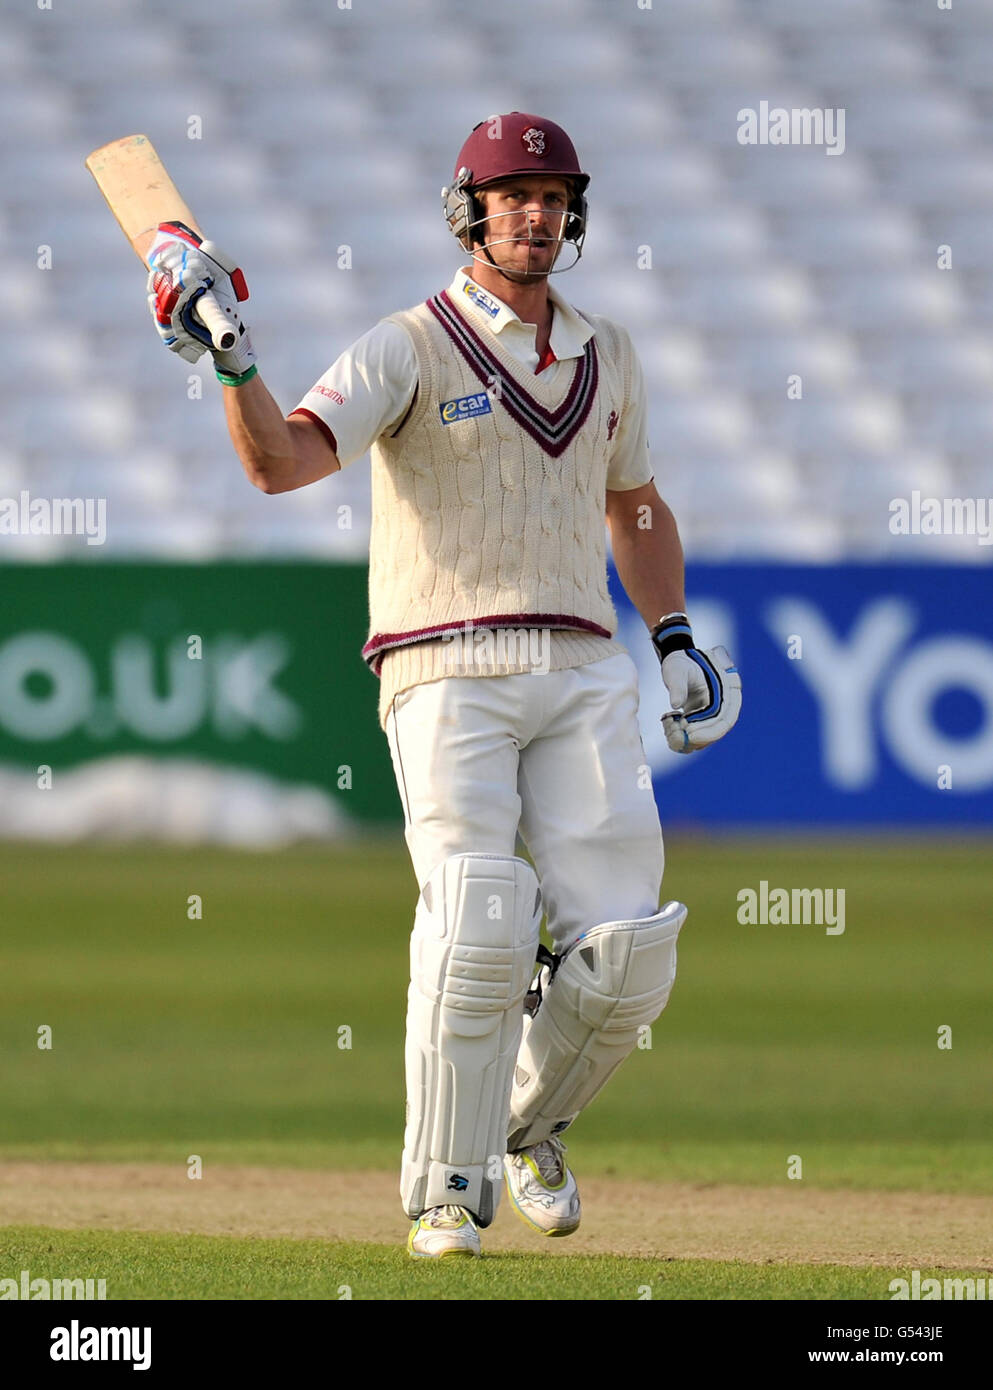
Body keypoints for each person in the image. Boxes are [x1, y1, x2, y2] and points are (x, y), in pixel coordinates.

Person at [146, 111, 742, 1259]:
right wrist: (232, 359)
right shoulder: (405, 345)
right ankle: (443, 1189)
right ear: (468, 209)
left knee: (626, 958)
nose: (537, 213)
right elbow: (282, 462)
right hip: (442, 659)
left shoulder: (609, 350)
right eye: (513, 194)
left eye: (555, 196)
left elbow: (637, 503)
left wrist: (671, 632)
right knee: (477, 920)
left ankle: (528, 1123)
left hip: (582, 661)